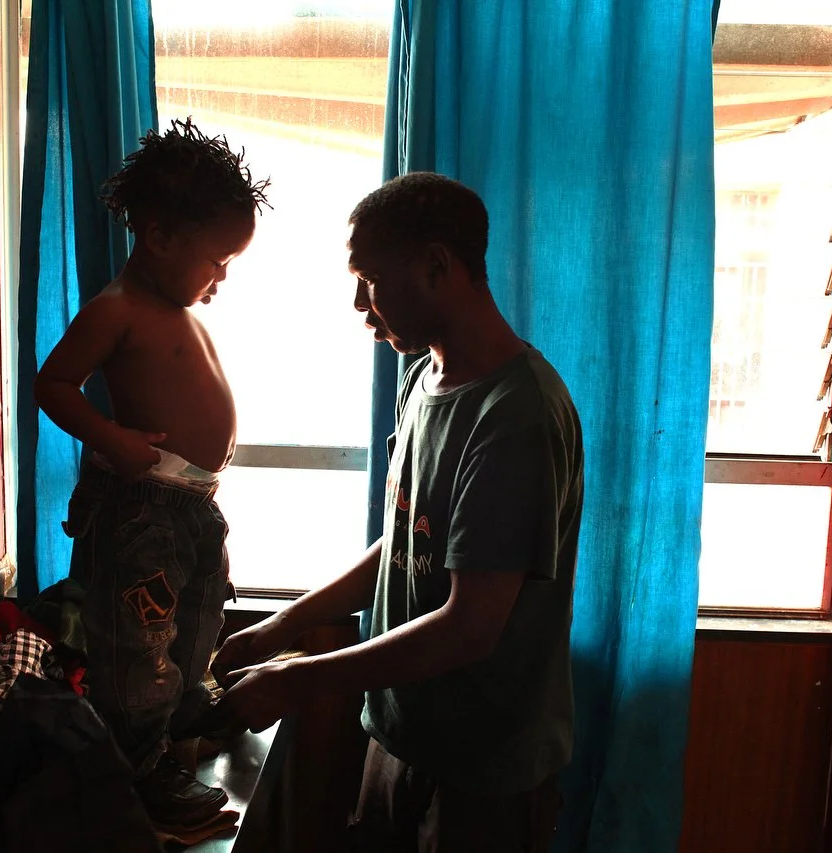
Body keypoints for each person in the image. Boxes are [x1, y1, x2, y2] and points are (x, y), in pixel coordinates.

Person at [209, 172, 584, 852]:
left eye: (371, 278)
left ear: (437, 267)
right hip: (400, 732)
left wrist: (295, 678)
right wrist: (282, 627)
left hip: (483, 771)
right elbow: (408, 541)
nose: (360, 303)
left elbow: (469, 627)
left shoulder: (515, 416)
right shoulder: (422, 381)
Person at [33, 118, 269, 831]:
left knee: (197, 619)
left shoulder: (175, 307)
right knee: (137, 643)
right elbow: (53, 385)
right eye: (217, 259)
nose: (221, 276)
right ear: (160, 236)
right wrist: (110, 437)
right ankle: (137, 774)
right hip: (145, 505)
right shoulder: (117, 310)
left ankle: (174, 722)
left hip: (193, 504)